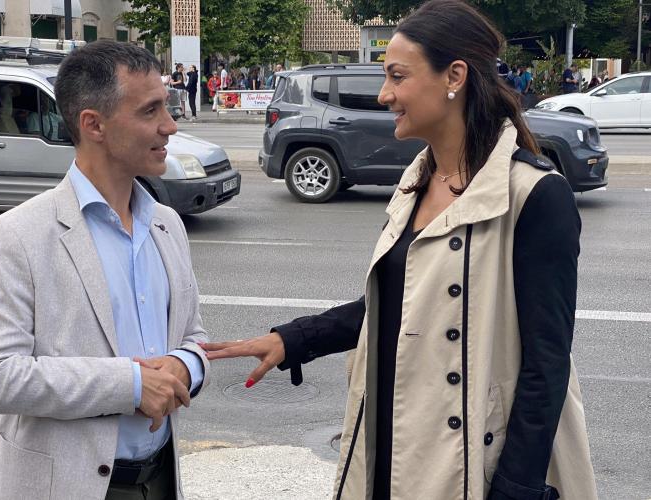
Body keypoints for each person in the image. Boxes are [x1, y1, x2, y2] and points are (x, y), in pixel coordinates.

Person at [202, 1, 597, 499]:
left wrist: (514, 488)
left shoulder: (533, 194)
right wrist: (293, 339)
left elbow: (547, 363)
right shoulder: (416, 181)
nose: (384, 94)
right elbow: (398, 304)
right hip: (392, 438)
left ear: (454, 76)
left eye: (397, 76)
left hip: (473, 459)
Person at [0, 40, 210, 500]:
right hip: (60, 486)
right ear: (93, 124)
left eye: (167, 106)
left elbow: (193, 336)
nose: (170, 125)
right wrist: (130, 385)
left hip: (159, 478)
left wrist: (185, 365)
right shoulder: (15, 236)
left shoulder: (167, 224)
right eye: (150, 110)